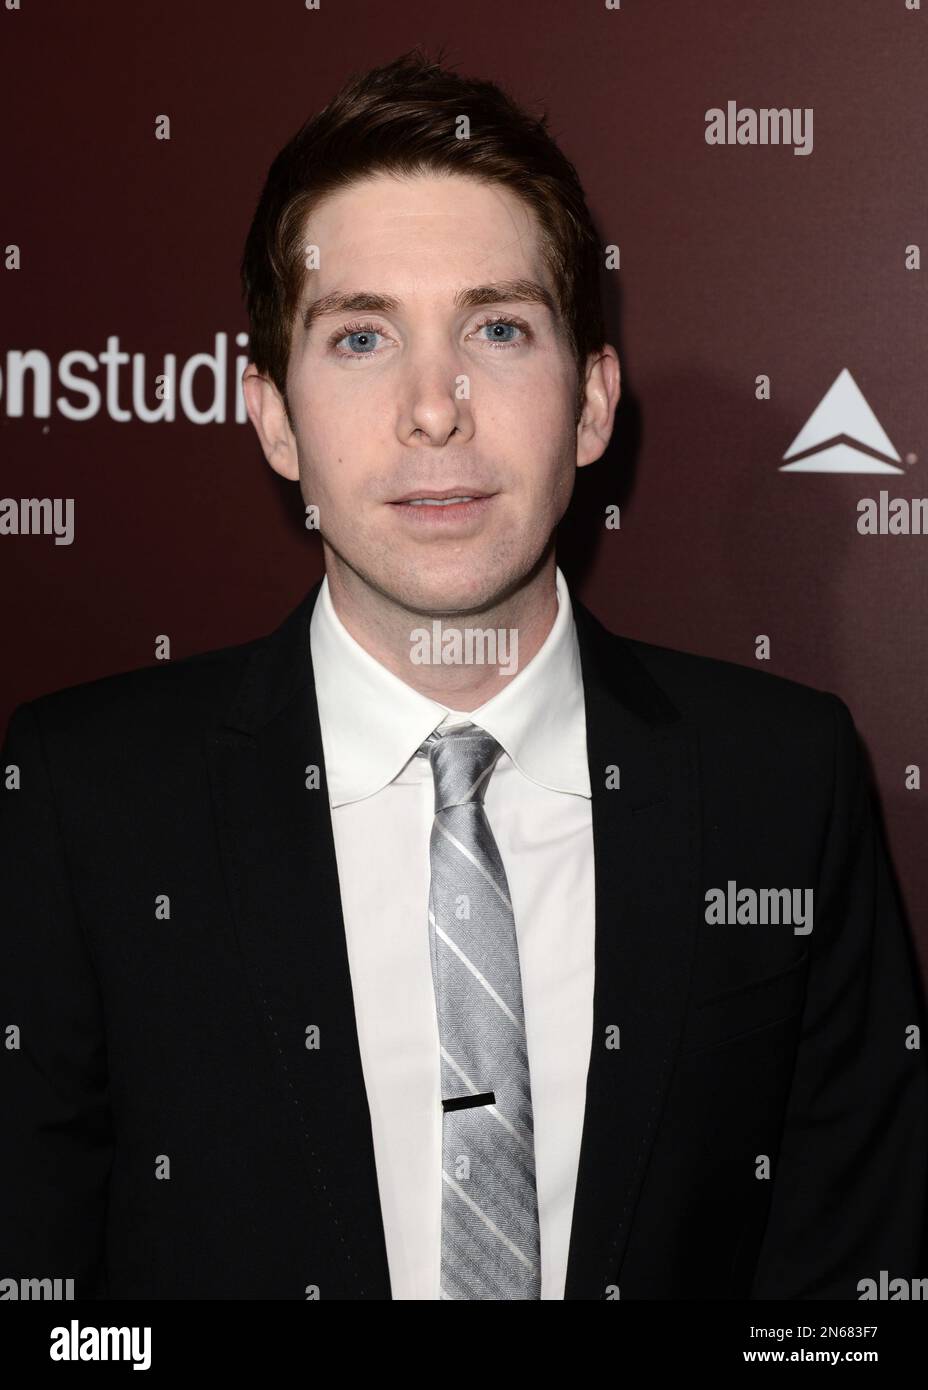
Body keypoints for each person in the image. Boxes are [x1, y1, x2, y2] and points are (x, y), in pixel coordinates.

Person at [2, 49, 926, 1301]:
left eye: (497, 328)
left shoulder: (783, 777)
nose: (434, 409)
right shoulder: (81, 798)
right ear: (272, 415)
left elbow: (846, 1298)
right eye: (362, 336)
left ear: (592, 402)